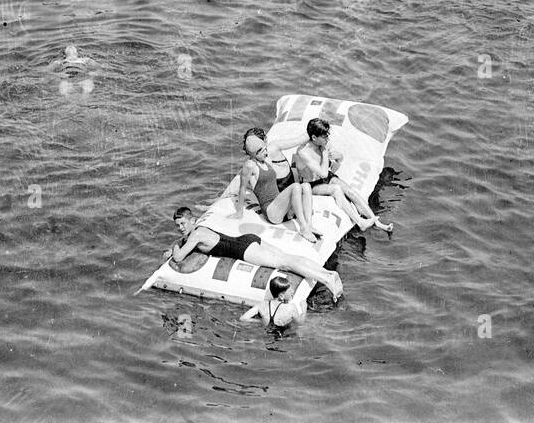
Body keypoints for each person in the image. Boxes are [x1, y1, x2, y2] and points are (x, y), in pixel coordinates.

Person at [167, 206, 342, 299]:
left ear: (193, 220)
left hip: (242, 250)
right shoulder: (200, 229)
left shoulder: (195, 235)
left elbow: (178, 256)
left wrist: (176, 245)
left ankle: (326, 279)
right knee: (287, 257)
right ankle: (326, 273)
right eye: (177, 226)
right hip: (246, 239)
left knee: (284, 263)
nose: (180, 228)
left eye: (182, 224)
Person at [292, 117, 392, 232]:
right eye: (324, 136)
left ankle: (377, 222)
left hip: (326, 177)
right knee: (336, 189)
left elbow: (336, 164)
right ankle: (360, 222)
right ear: (314, 138)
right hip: (311, 184)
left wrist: (339, 157)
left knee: (350, 192)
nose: (327, 138)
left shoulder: (323, 143)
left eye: (327, 135)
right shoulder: (303, 152)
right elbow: (323, 174)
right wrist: (325, 153)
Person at [235, 127, 318, 243]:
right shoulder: (250, 165)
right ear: (255, 153)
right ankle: (303, 228)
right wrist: (239, 213)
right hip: (272, 212)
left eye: (265, 149)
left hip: (281, 208)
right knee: (295, 186)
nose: (266, 152)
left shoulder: (266, 161)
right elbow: (242, 188)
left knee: (306, 186)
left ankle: (309, 225)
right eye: (263, 150)